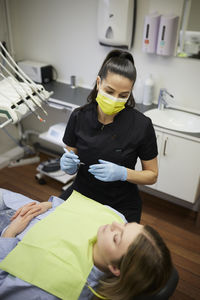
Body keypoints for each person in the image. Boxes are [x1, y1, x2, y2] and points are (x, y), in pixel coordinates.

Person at [0, 188, 172, 300]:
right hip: (17, 204)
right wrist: (48, 205)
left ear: (115, 268)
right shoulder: (117, 219)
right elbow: (71, 206)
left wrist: (10, 234)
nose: (114, 224)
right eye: (126, 225)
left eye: (116, 238)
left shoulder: (59, 290)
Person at [60, 50, 158, 223]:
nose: (115, 99)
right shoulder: (79, 116)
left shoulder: (141, 126)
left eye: (123, 95)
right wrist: (68, 165)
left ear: (130, 92)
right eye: (109, 91)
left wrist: (123, 173)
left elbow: (152, 175)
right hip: (82, 195)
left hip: (121, 204)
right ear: (99, 83)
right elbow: (71, 157)